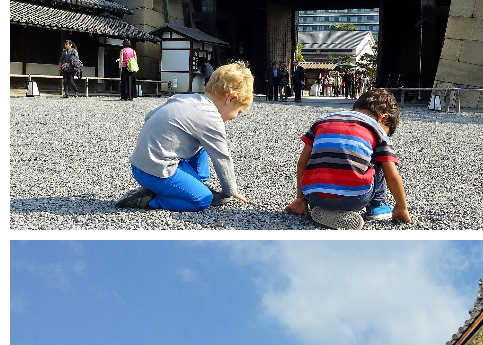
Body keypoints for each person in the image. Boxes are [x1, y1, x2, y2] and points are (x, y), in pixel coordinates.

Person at [115, 62, 253, 212]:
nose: (235, 117)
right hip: (156, 171)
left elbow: (149, 116)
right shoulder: (211, 118)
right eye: (238, 112)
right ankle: (150, 200)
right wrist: (230, 192)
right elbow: (222, 158)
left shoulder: (185, 98)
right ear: (230, 99)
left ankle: (194, 184)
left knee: (204, 144)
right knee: (203, 199)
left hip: (138, 164)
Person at [285, 88, 411, 230]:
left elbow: (302, 163)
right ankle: (377, 206)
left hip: (314, 196)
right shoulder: (377, 129)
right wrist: (401, 207)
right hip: (354, 199)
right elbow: (392, 175)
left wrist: (300, 198)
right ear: (384, 118)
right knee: (382, 160)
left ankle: (323, 210)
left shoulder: (323, 120)